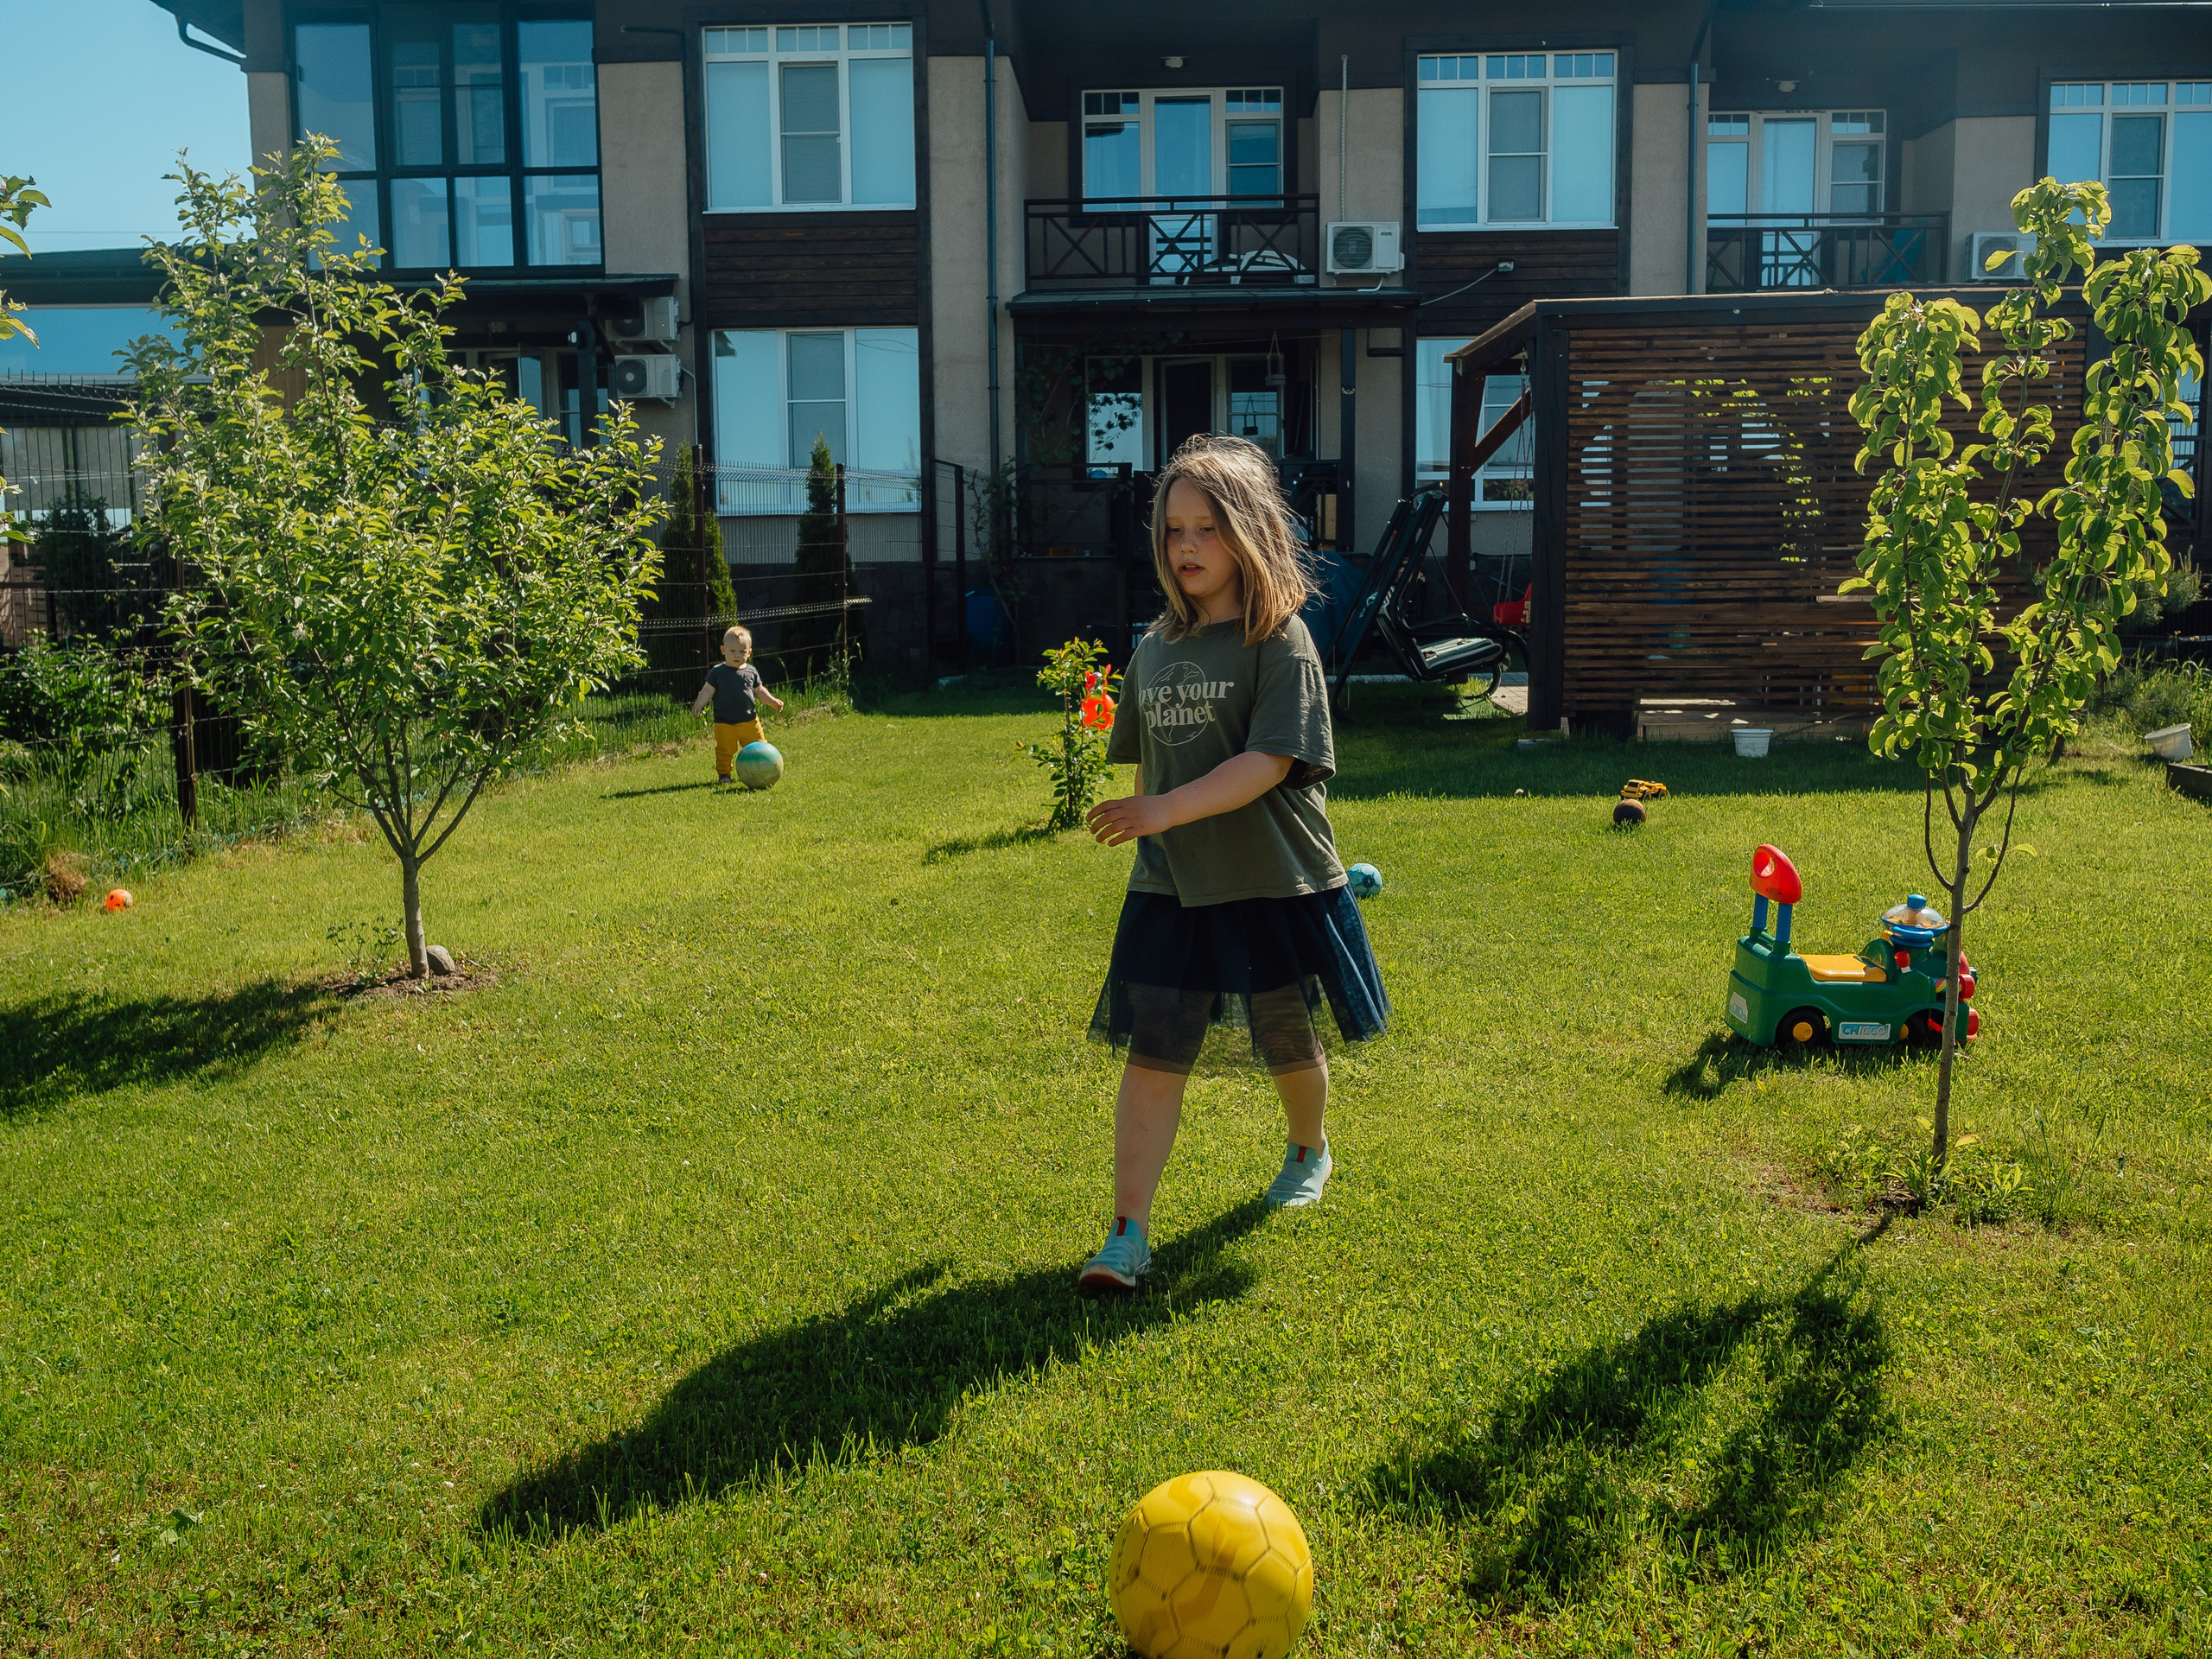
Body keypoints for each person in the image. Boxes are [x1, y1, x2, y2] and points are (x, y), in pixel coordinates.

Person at [1077, 434, 1389, 1294]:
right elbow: (1151, 767)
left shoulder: (1278, 641)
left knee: (1284, 1038)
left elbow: (1269, 764)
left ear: (1248, 533)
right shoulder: (1153, 648)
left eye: (1206, 529)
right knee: (1154, 1057)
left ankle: (1307, 1146)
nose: (1185, 546)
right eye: (1173, 528)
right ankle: (1126, 1236)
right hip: (1172, 887)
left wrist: (1164, 809)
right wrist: (1154, 828)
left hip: (1271, 879)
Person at [691, 626, 785, 783]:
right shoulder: (717, 672)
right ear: (723, 650)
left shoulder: (751, 672)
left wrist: (772, 701)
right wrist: (699, 704)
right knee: (724, 751)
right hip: (724, 723)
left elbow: (759, 690)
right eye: (732, 651)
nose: (737, 655)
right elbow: (707, 690)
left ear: (749, 652)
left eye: (742, 652)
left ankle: (762, 772)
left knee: (760, 749)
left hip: (750, 722)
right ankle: (724, 775)